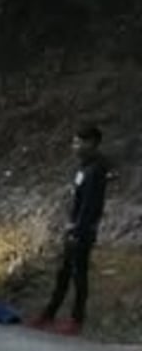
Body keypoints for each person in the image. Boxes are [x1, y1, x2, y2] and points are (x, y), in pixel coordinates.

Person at [31, 125, 113, 335]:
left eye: (78, 142)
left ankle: (76, 320)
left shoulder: (96, 169)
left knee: (79, 274)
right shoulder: (83, 167)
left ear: (91, 143)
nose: (74, 146)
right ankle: (49, 314)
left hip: (82, 230)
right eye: (74, 142)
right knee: (64, 273)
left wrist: (78, 228)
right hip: (74, 227)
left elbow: (91, 204)